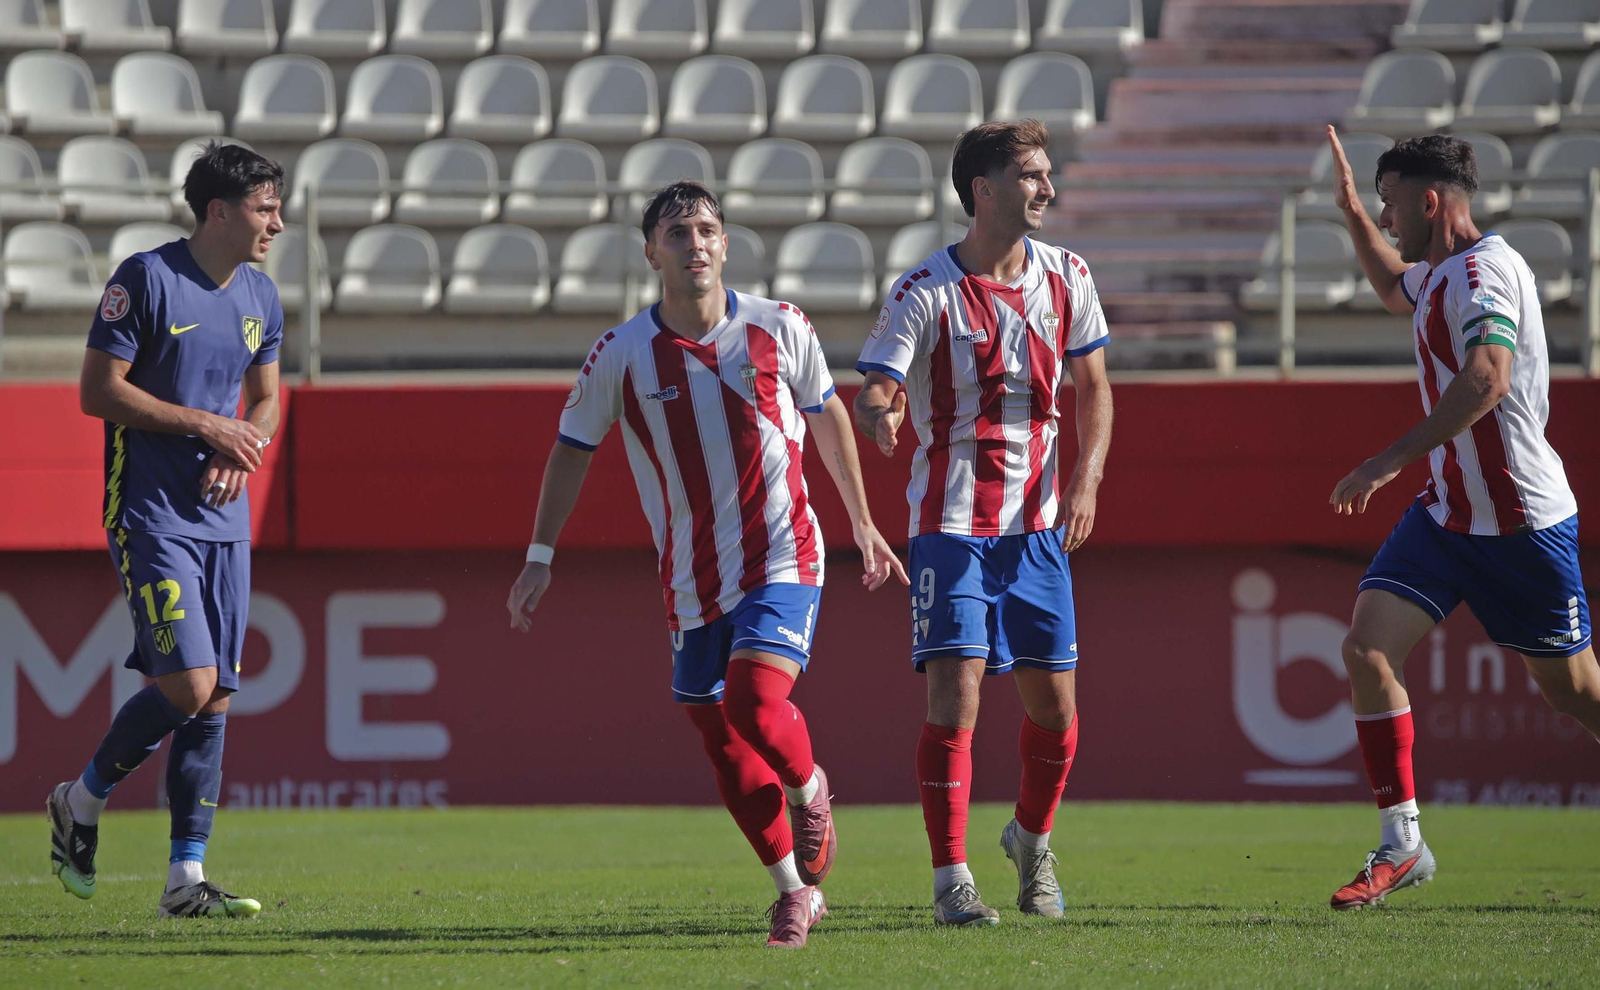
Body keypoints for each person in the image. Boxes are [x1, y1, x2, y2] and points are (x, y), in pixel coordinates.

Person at [505, 181, 906, 948]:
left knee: (756, 705)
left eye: (708, 229)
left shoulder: (779, 326)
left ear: (726, 244)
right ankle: (794, 893)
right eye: (678, 232)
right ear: (651, 251)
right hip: (690, 579)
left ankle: (810, 786)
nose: (696, 243)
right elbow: (570, 452)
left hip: (785, 553)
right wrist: (538, 557)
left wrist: (862, 519)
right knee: (719, 737)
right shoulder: (622, 353)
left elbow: (827, 419)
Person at [1324, 126, 1599, 909]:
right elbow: (1390, 286)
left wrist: (1383, 460)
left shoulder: (1483, 275)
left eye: (1389, 206)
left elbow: (1486, 377)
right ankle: (1402, 843)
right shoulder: (1440, 273)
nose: (1386, 221)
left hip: (1520, 525)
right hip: (1449, 517)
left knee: (1576, 694)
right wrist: (1347, 211)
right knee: (1366, 649)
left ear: (1432, 202)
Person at [853, 120, 1113, 926]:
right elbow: (877, 385)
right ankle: (950, 881)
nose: (1048, 189)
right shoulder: (925, 289)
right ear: (984, 190)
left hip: (1038, 532)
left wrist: (1086, 480)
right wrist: (881, 413)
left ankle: (1031, 844)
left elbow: (1094, 388)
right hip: (951, 527)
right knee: (955, 696)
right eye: (1032, 175)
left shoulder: (1068, 275)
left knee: (1055, 713)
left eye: (1047, 174)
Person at [49, 142, 285, 918]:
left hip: (223, 520)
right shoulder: (146, 279)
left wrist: (242, 448)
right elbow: (96, 391)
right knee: (186, 685)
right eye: (264, 208)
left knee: (214, 698)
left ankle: (186, 879)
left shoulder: (261, 295)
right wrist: (206, 427)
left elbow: (267, 402)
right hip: (148, 512)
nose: (278, 223)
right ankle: (79, 802)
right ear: (218, 211)